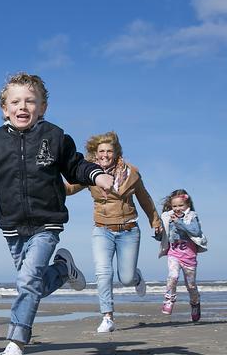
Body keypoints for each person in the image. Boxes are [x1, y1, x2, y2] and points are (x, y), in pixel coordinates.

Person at [0, 73, 113, 355]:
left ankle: (15, 347)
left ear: (43, 107)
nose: (23, 106)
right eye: (15, 101)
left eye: (30, 100)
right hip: (12, 227)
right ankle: (64, 269)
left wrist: (96, 174)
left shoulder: (55, 136)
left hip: (47, 223)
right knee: (33, 285)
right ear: (4, 108)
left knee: (27, 284)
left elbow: (75, 166)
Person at [66, 132, 161, 333]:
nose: (105, 155)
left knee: (125, 278)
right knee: (103, 272)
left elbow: (145, 199)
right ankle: (107, 316)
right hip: (102, 229)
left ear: (116, 152)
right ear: (95, 153)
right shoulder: (90, 174)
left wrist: (155, 221)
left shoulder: (132, 173)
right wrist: (47, 178)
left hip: (128, 230)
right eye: (101, 151)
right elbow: (69, 189)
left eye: (109, 151)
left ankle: (136, 277)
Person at [158, 189, 207, 322]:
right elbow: (164, 235)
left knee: (190, 286)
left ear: (187, 205)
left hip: (189, 256)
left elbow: (196, 231)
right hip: (173, 253)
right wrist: (158, 232)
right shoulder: (168, 216)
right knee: (173, 276)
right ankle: (169, 299)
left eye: (181, 205)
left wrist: (179, 223)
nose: (177, 208)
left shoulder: (192, 216)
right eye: (174, 206)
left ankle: (195, 303)